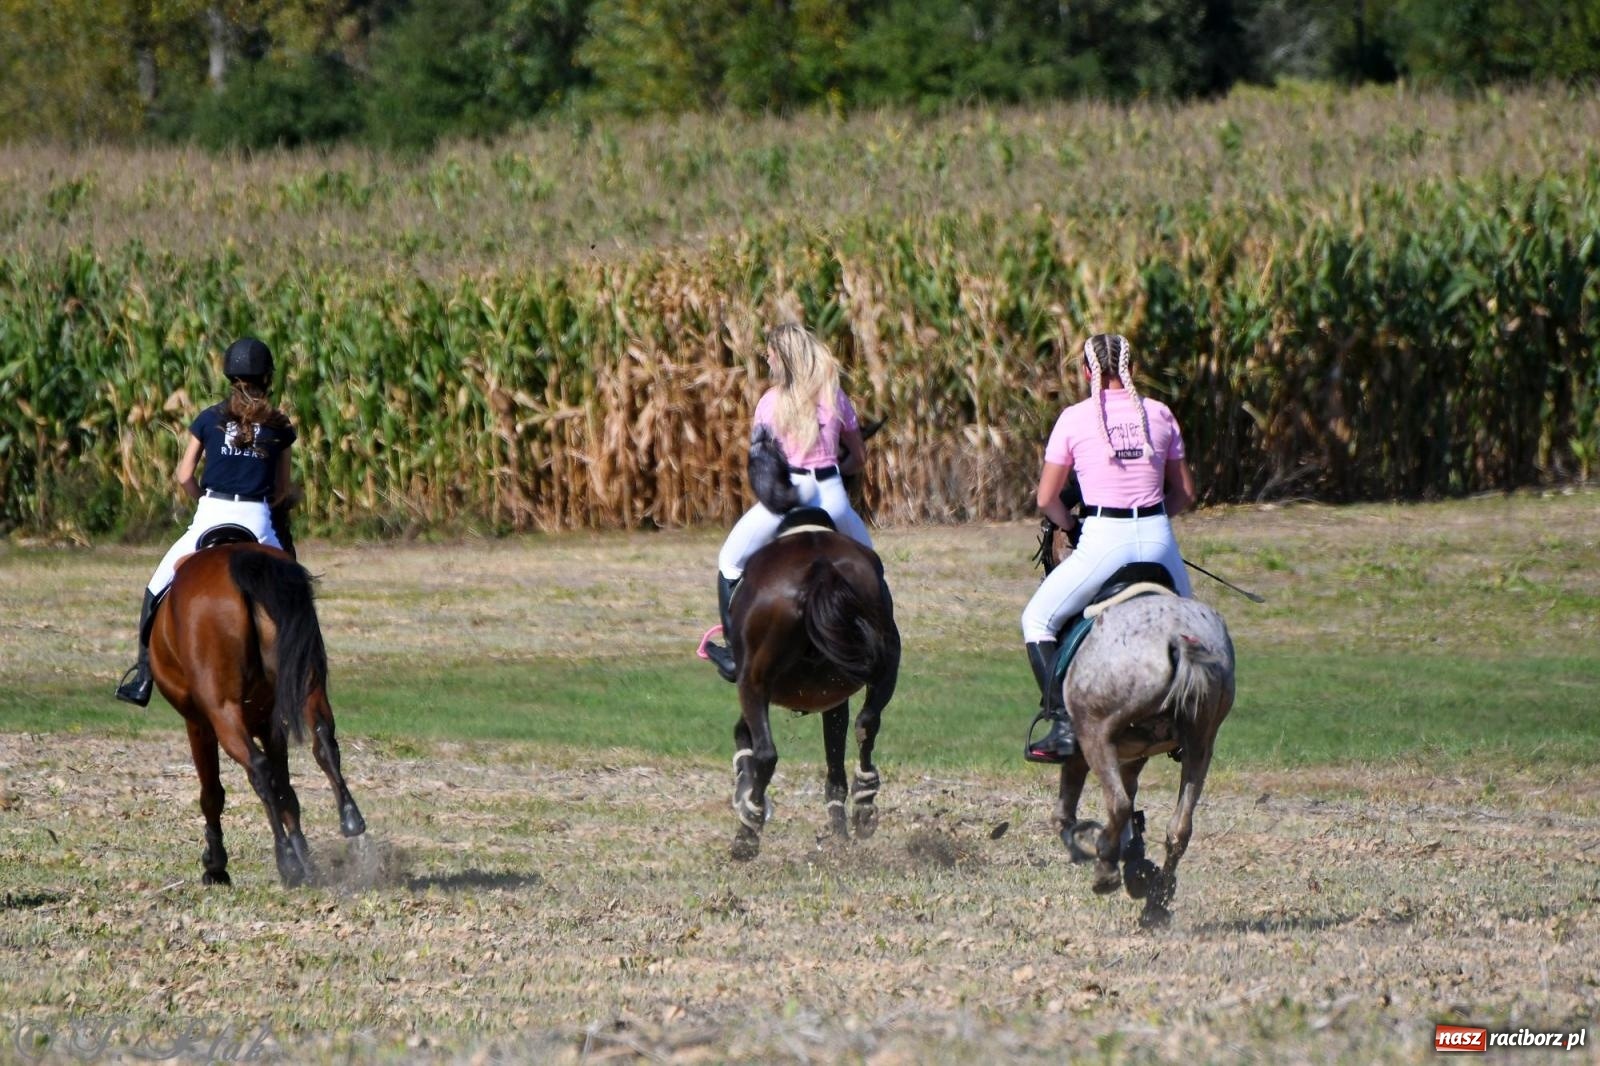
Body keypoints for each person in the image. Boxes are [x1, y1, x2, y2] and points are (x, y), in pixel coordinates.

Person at [1021, 333, 1196, 762]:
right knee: (1194, 631)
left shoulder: (1074, 418)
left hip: (1103, 539)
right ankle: (1189, 717)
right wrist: (1153, 523)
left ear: (1086, 372)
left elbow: (1047, 499)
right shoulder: (1160, 413)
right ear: (1132, 369)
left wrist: (1072, 527)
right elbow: (1185, 494)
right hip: (1158, 540)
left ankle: (1062, 722)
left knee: (1037, 620)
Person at [114, 337, 297, 706]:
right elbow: (281, 489)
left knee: (156, 587)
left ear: (229, 376)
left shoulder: (208, 418)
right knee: (295, 593)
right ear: (268, 377)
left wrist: (204, 500)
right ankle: (304, 673)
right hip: (257, 518)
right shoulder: (278, 426)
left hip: (211, 515)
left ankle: (144, 676)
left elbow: (184, 474)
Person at [702, 323, 874, 681]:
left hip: (790, 495)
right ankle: (876, 641)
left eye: (770, 352)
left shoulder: (769, 402)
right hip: (833, 496)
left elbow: (762, 465)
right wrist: (832, 465)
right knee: (871, 567)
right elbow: (858, 459)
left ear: (782, 356)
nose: (766, 356)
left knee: (729, 560)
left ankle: (735, 653)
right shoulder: (835, 395)